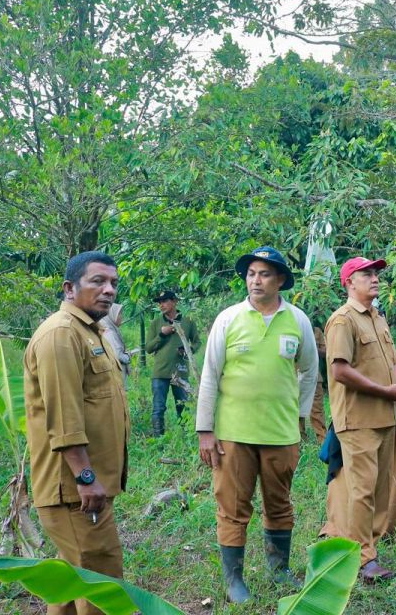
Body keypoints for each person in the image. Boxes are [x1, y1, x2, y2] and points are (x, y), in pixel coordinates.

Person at [196, 247, 318, 603]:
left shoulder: (298, 320)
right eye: (251, 273)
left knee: (279, 503)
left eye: (264, 274)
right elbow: (209, 375)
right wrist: (206, 429)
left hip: (281, 432)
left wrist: (301, 415)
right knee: (233, 505)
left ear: (280, 280)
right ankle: (234, 580)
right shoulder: (229, 319)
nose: (256, 280)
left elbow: (310, 371)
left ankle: (279, 571)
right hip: (233, 433)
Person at [23, 251, 130, 615]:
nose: (108, 290)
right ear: (69, 288)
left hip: (82, 488)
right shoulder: (61, 335)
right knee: (101, 582)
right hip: (74, 490)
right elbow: (64, 417)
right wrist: (86, 477)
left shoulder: (91, 330)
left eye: (113, 283)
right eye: (97, 281)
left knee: (71, 585)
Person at [323, 256, 396, 583]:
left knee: (379, 491)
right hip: (358, 419)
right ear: (349, 281)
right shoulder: (342, 320)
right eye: (367, 274)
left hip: (385, 417)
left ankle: (367, 550)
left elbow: (391, 363)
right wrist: (385, 391)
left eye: (376, 274)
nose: (374, 279)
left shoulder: (378, 318)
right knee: (362, 491)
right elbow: (340, 370)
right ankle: (363, 559)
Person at [145, 290, 199, 436]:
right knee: (158, 407)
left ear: (174, 301)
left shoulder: (187, 321)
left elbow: (197, 342)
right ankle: (158, 439)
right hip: (160, 372)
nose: (161, 305)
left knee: (183, 406)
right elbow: (148, 348)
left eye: (164, 301)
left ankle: (185, 436)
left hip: (180, 370)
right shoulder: (156, 323)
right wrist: (162, 334)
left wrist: (188, 350)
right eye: (159, 302)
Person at [99, 302, 130, 383]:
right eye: (119, 314)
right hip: (116, 375)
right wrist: (128, 356)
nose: (121, 317)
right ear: (112, 315)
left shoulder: (109, 330)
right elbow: (117, 355)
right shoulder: (110, 333)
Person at [308, 318, 328, 440]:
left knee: (317, 410)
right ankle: (300, 442)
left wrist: (312, 348)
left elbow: (326, 352)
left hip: (314, 377)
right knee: (295, 411)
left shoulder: (316, 331)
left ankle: (322, 440)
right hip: (294, 376)